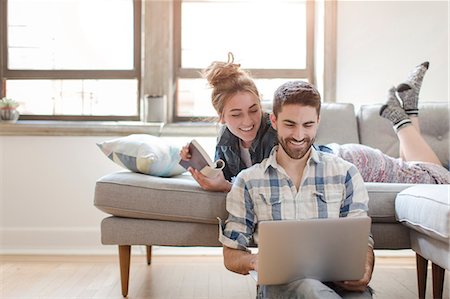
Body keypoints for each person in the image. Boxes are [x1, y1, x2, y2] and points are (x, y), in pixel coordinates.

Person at [180, 55, 449, 192]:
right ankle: (408, 107)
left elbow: (263, 186)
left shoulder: (275, 132)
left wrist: (225, 187)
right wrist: (193, 163)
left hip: (353, 163)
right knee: (417, 175)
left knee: (441, 182)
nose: (248, 121)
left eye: (253, 110)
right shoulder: (226, 141)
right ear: (221, 118)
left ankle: (399, 119)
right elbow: (224, 174)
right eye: (235, 115)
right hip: (339, 160)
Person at [219, 80, 374, 299]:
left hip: (340, 286)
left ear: (318, 121)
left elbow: (363, 242)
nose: (299, 136)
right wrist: (255, 261)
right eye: (290, 124)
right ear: (273, 120)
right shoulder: (249, 181)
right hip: (282, 286)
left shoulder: (346, 173)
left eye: (308, 125)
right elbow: (231, 253)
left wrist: (365, 270)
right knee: (307, 288)